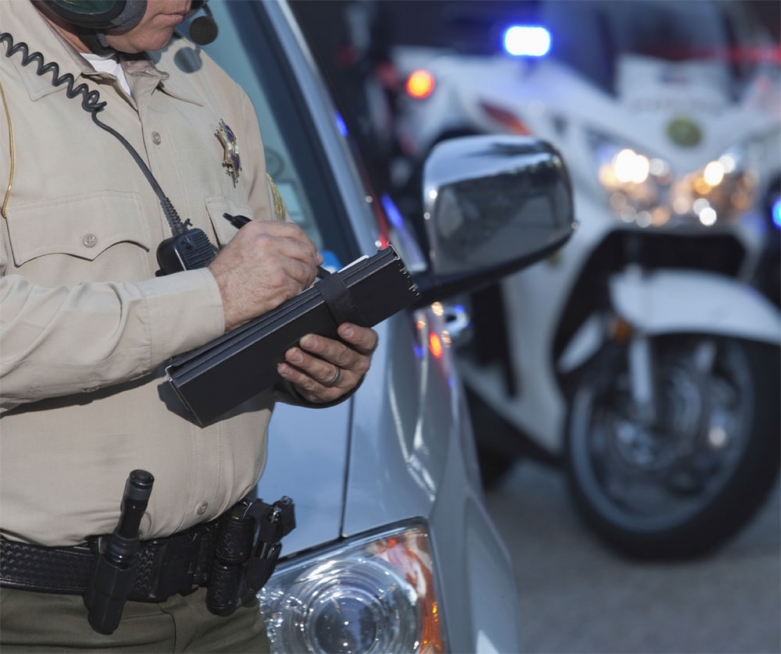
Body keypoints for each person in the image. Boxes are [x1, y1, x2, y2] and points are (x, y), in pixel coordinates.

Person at [0, 0, 377, 650]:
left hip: (227, 604)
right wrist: (211, 297)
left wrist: (310, 360)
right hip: (46, 618)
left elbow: (265, 287)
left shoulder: (214, 90)